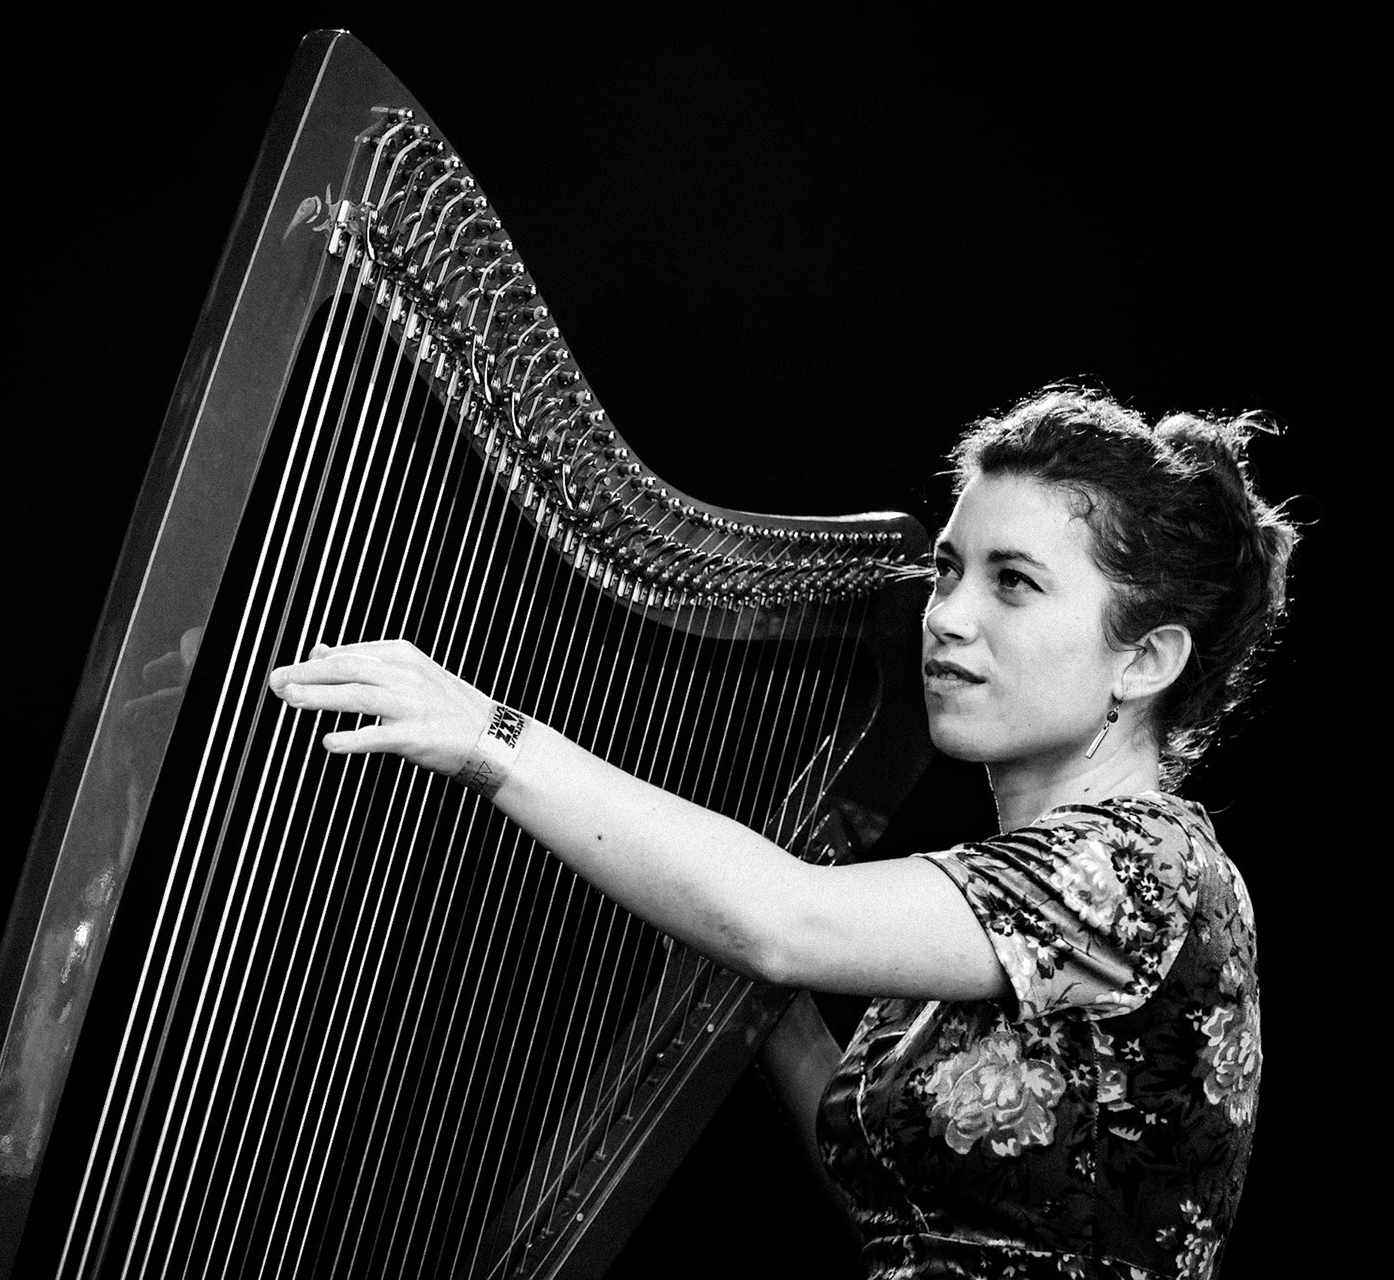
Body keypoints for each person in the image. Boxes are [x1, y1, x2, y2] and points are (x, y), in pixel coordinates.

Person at [266, 385, 1295, 1279]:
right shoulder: (996, 897)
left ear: (1147, 658)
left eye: (1012, 581)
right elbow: (913, 1205)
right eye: (945, 571)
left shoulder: (1151, 869)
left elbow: (783, 917)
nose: (946, 615)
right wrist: (764, 1003)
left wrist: (492, 734)